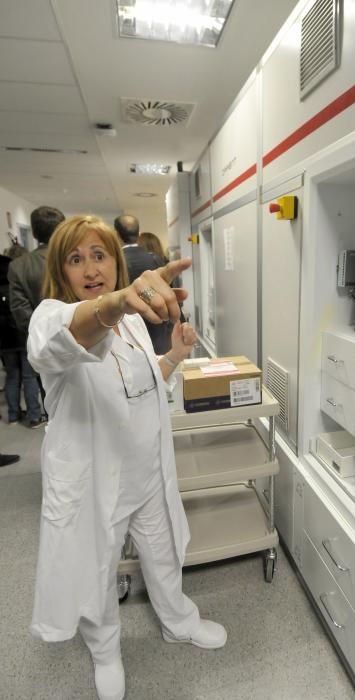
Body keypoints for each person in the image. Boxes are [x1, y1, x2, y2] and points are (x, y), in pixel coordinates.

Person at [27, 214, 226, 700]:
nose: (91, 268)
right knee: (98, 572)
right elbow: (61, 344)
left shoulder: (134, 323)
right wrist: (113, 303)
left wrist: (175, 356)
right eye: (76, 259)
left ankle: (178, 621)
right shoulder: (51, 318)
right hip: (96, 485)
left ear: (116, 262)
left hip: (146, 475)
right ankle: (107, 652)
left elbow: (139, 383)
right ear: (61, 270)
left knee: (163, 557)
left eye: (100, 255)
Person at [8, 206, 65, 418]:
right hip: (81, 336)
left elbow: (20, 311)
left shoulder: (19, 266)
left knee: (49, 395)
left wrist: (42, 336)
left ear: (33, 232)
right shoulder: (73, 259)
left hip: (42, 345)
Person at [115, 215, 175, 354]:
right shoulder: (156, 259)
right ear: (138, 233)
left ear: (117, 235)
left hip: (128, 337)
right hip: (159, 332)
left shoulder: (116, 262)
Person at [0, 252, 42, 426]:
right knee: (29, 376)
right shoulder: (18, 282)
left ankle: (13, 415)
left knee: (12, 376)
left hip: (4, 339)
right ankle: (33, 416)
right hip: (21, 336)